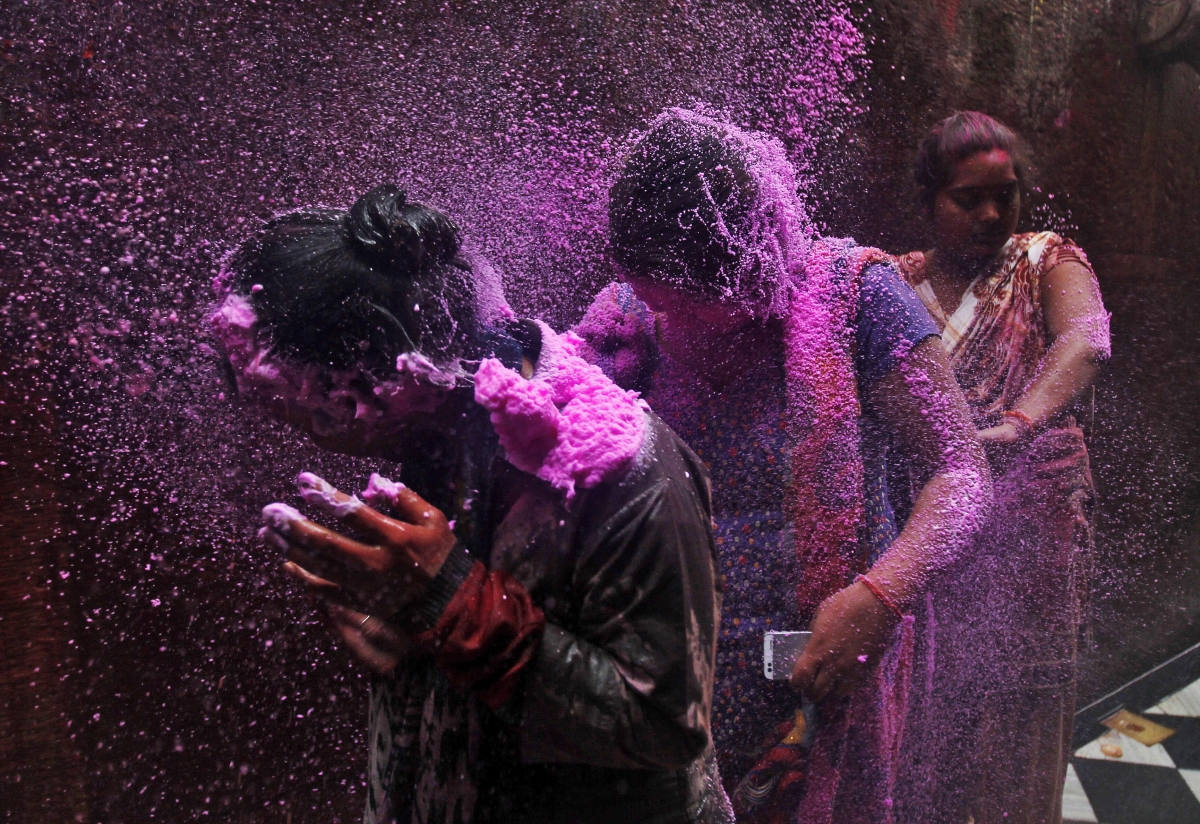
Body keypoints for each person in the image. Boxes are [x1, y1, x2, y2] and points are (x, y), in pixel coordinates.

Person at [210, 184, 735, 824]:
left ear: (359, 383)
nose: (290, 428)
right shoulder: (441, 432)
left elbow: (665, 726)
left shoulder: (625, 470)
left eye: (286, 406)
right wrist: (412, 636)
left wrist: (455, 605)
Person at [577, 108, 992, 824]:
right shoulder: (624, 321)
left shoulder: (857, 300)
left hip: (818, 680)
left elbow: (961, 472)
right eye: (656, 301)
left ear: (752, 264)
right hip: (658, 683)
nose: (676, 326)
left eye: (698, 308)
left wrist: (881, 596)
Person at [891, 111, 1110, 824]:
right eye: (967, 198)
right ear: (928, 202)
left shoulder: (1046, 259)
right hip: (935, 541)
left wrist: (1021, 421)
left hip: (1031, 545)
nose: (991, 213)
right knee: (929, 721)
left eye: (1005, 195)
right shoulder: (892, 283)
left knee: (1022, 730)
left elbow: (1085, 338)